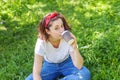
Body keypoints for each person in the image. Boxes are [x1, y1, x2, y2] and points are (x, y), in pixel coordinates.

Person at [26, 12, 90, 80]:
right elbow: (36, 72)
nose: (61, 30)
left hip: (67, 62)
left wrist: (74, 48)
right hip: (50, 65)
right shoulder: (41, 42)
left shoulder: (68, 37)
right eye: (56, 28)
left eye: (62, 26)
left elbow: (79, 65)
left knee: (84, 74)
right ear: (48, 31)